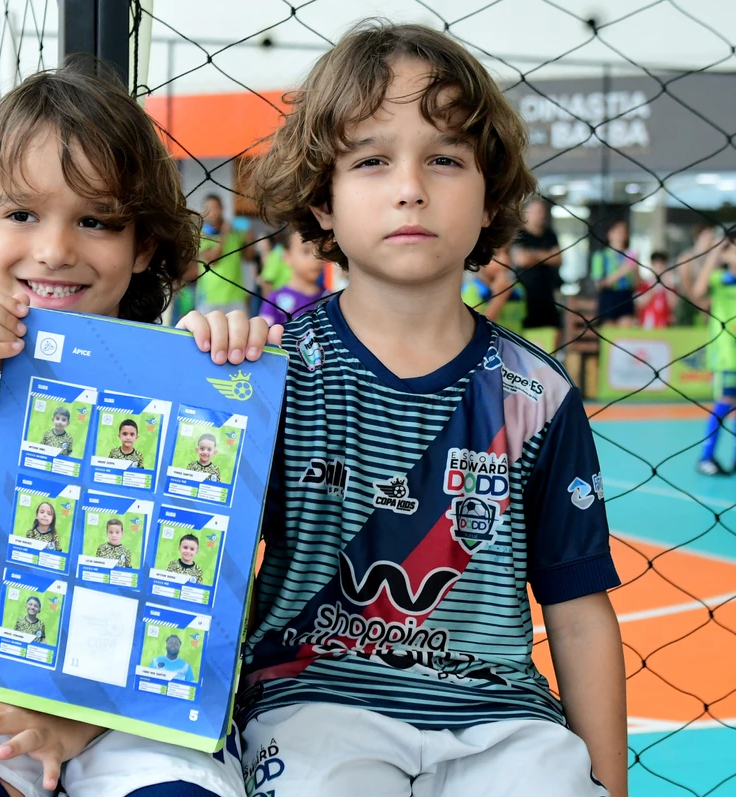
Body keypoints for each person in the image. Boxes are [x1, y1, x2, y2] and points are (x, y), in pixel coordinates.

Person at [0, 66, 280, 797]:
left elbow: (214, 582)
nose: (56, 249)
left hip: (149, 685)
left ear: (146, 244)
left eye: (96, 220)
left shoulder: (187, 369)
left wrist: (222, 374)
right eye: (22, 213)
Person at [241, 21, 625, 797]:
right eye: (372, 159)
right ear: (322, 201)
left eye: (444, 158)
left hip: (501, 717)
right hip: (312, 707)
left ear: (492, 201)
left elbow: (578, 612)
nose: (410, 185)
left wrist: (608, 786)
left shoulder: (537, 394)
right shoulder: (272, 371)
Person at [691, 231, 736, 476]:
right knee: (724, 403)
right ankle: (706, 457)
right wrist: (714, 254)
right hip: (727, 357)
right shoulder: (720, 280)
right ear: (727, 255)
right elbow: (698, 292)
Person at [511, 196, 563, 330]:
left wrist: (532, 254)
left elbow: (558, 259)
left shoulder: (550, 234)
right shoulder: (518, 234)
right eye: (537, 211)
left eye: (543, 210)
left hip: (547, 291)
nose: (541, 214)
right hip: (525, 292)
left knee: (552, 330)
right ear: (526, 212)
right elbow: (522, 259)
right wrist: (546, 255)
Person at [196, 194, 252, 316]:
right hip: (210, 297)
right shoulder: (202, 235)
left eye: (214, 208)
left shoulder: (235, 233)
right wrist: (224, 234)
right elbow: (213, 260)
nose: (212, 213)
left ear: (221, 209)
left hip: (235, 295)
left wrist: (249, 240)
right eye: (207, 209)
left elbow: (249, 257)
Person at [258, 230, 326, 326]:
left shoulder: (330, 297)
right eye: (306, 251)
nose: (316, 258)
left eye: (320, 250)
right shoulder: (275, 300)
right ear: (287, 256)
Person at [462, 244, 525, 332]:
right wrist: (499, 297)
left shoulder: (517, 288)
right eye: (495, 255)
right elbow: (476, 330)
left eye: (507, 253)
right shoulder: (470, 290)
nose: (505, 260)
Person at [590, 219, 639, 326]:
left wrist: (635, 269)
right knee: (608, 332)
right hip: (608, 297)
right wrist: (621, 272)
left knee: (625, 335)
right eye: (617, 231)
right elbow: (598, 284)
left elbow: (637, 283)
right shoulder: (600, 256)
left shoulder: (630, 255)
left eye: (623, 231)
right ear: (609, 234)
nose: (620, 235)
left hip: (626, 296)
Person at [636, 251, 674, 330]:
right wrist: (654, 287)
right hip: (648, 324)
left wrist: (668, 285)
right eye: (657, 264)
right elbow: (640, 304)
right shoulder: (645, 284)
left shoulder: (669, 285)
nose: (659, 267)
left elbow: (673, 304)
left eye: (662, 264)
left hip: (664, 325)